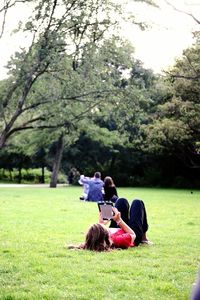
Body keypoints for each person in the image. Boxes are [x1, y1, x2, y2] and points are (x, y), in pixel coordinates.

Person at [68, 198, 152, 251]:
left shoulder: (96, 238)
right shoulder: (116, 240)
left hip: (116, 229)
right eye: (101, 226)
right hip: (132, 233)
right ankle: (143, 238)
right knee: (137, 202)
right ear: (103, 234)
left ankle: (143, 237)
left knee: (121, 201)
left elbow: (95, 236)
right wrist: (119, 220)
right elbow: (132, 234)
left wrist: (101, 223)